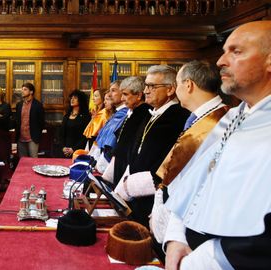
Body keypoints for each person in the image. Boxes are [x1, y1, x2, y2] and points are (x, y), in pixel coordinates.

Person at [164, 21, 271, 270]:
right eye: (223, 52)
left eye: (236, 51)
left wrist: (202, 260)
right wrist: (177, 235)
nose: (221, 61)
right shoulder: (233, 116)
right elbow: (198, 180)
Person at [141, 60, 228, 262]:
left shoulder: (220, 122)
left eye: (178, 83)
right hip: (175, 219)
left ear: (188, 85)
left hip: (193, 231)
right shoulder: (199, 117)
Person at [113, 65, 189, 228]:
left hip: (153, 195)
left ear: (170, 90)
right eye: (146, 85)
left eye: (152, 86)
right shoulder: (154, 112)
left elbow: (169, 164)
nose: (146, 90)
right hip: (136, 191)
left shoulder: (177, 117)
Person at [103, 76, 152, 184]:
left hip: (129, 175)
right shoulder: (133, 112)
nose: (122, 99)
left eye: (125, 94)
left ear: (139, 95)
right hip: (120, 168)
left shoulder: (144, 115)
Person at [90, 81, 128, 170]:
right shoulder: (117, 113)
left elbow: (111, 144)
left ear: (123, 92)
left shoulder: (124, 114)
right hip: (99, 163)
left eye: (113, 91)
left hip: (107, 166)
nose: (110, 94)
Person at [15, 82, 45, 158]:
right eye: (22, 89)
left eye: (25, 89)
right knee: (22, 162)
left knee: (33, 161)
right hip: (21, 138)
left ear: (31, 92)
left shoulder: (38, 105)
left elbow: (41, 122)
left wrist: (37, 135)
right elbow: (17, 120)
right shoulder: (19, 105)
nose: (22, 91)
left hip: (32, 138)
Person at [61, 90, 90, 158]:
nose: (72, 99)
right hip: (64, 151)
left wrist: (73, 149)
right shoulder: (66, 116)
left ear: (81, 100)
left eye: (75, 98)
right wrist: (63, 147)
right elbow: (61, 134)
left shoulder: (86, 117)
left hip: (78, 151)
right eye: (71, 98)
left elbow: (85, 137)